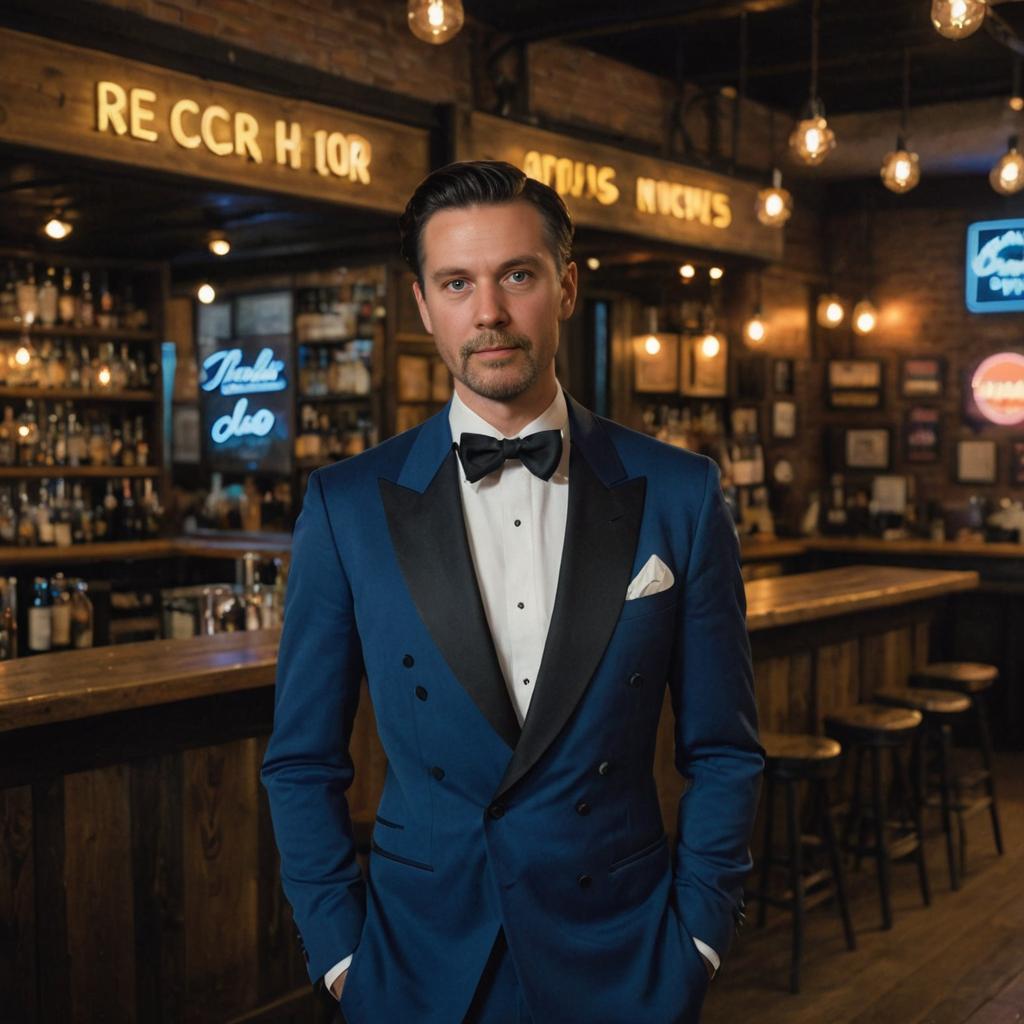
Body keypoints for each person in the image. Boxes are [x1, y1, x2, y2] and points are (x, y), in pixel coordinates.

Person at [261, 160, 763, 1024]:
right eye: (457, 282)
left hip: (626, 955)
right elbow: (302, 761)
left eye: (516, 276)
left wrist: (700, 938)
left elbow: (724, 749)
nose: (487, 312)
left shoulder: (680, 493)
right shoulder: (345, 506)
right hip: (416, 965)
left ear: (565, 288)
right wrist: (342, 954)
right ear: (423, 304)